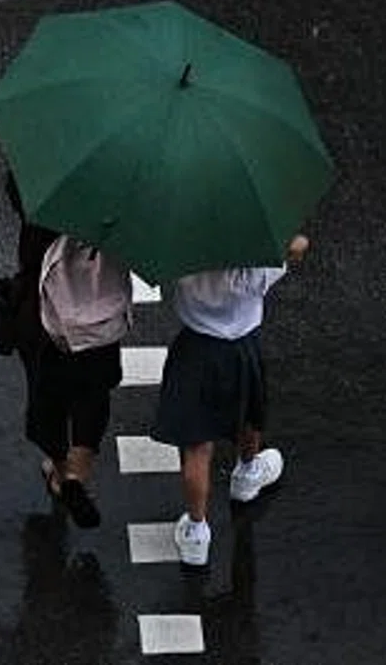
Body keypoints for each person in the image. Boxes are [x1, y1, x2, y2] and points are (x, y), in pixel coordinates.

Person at [155, 233, 311, 567]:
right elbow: (294, 250)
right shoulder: (255, 267)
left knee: (197, 445)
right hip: (243, 347)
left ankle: (197, 532)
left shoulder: (184, 250)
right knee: (251, 414)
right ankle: (248, 474)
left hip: (195, 349)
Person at [3, 173, 133, 529]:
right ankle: (77, 473)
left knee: (47, 400)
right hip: (98, 321)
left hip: (45, 319)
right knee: (93, 399)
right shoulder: (128, 188)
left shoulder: (48, 181)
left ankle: (59, 471)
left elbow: (17, 191)